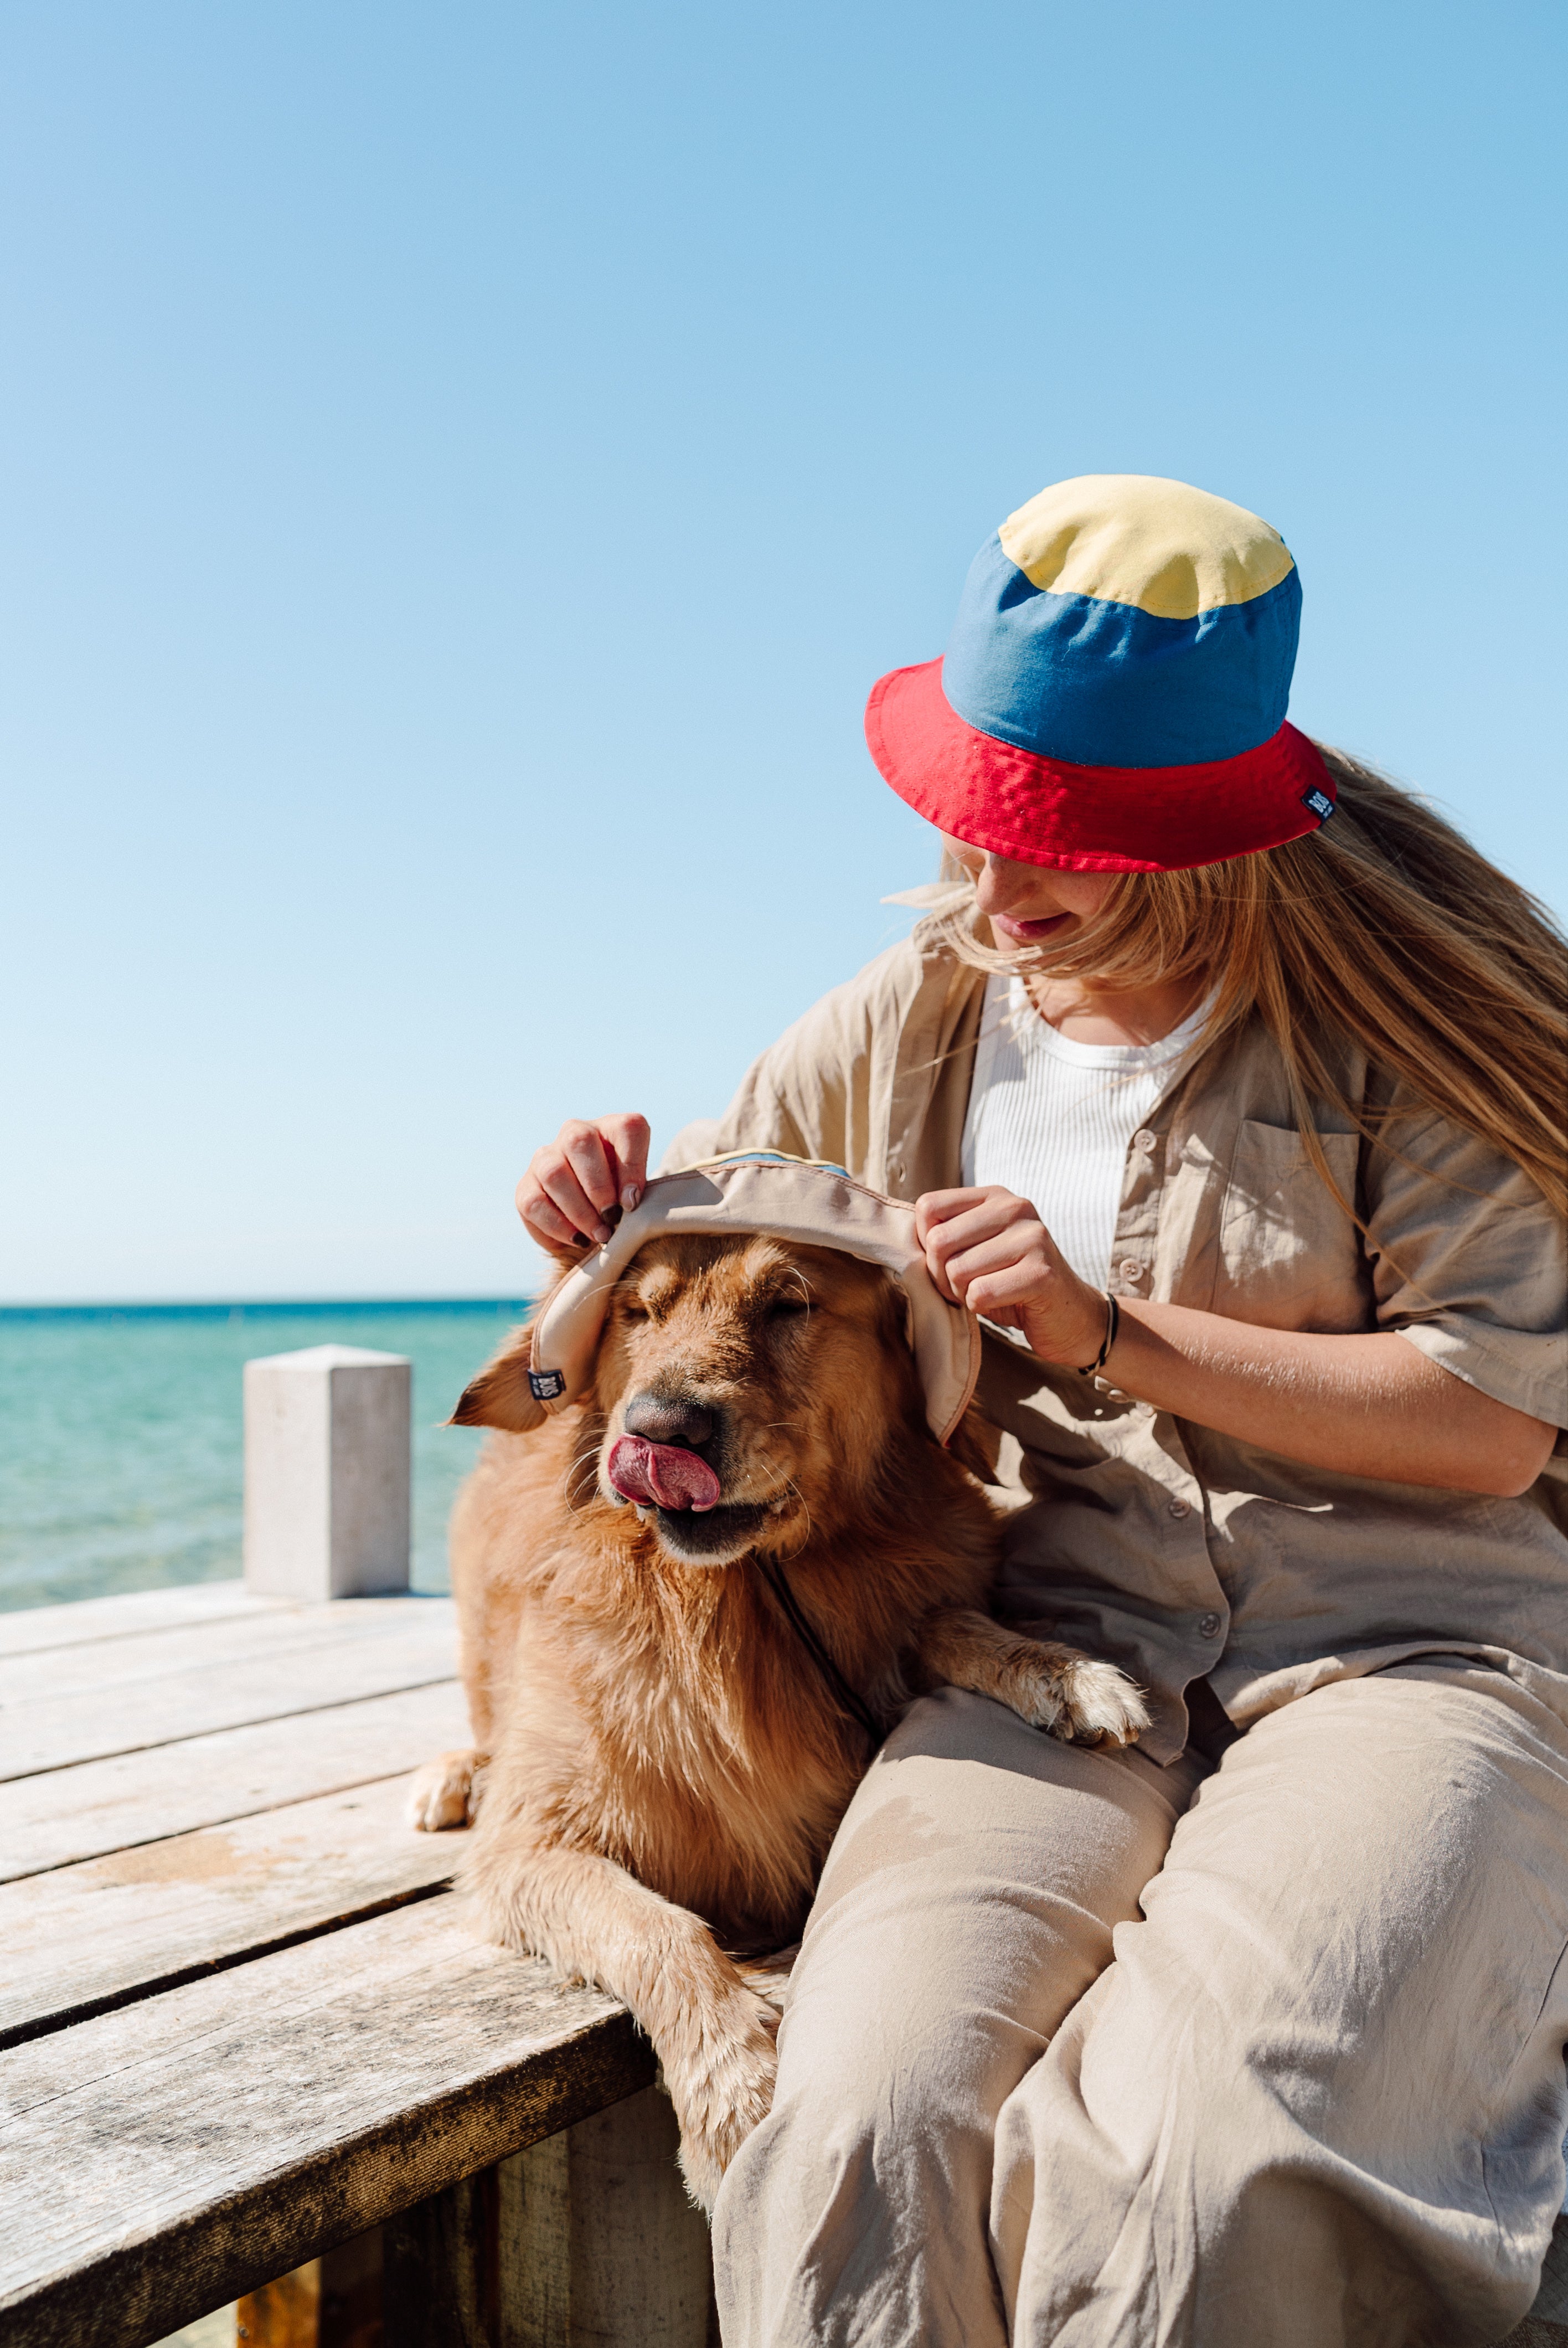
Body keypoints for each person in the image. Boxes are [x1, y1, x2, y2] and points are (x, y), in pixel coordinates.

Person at [515, 475, 1568, 2346]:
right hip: (1048, 1644)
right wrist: (592, 1225)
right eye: (975, 830)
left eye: (1058, 851)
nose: (992, 902)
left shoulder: (1402, 1029)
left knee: (1203, 2163)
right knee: (860, 2114)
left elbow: (1489, 1422)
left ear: (1220, 842)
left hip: (1408, 1653)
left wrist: (1108, 1333)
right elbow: (707, 1292)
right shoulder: (895, 1025)